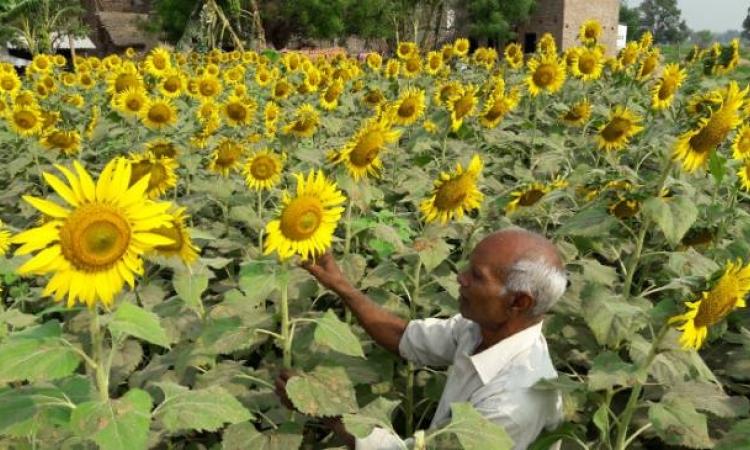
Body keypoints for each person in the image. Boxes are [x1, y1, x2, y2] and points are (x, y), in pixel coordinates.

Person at [275, 227, 567, 449]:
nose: (460, 278)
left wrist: (325, 406)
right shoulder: (482, 328)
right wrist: (340, 285)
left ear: (519, 302)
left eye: (476, 276)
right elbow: (405, 337)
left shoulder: (514, 405)